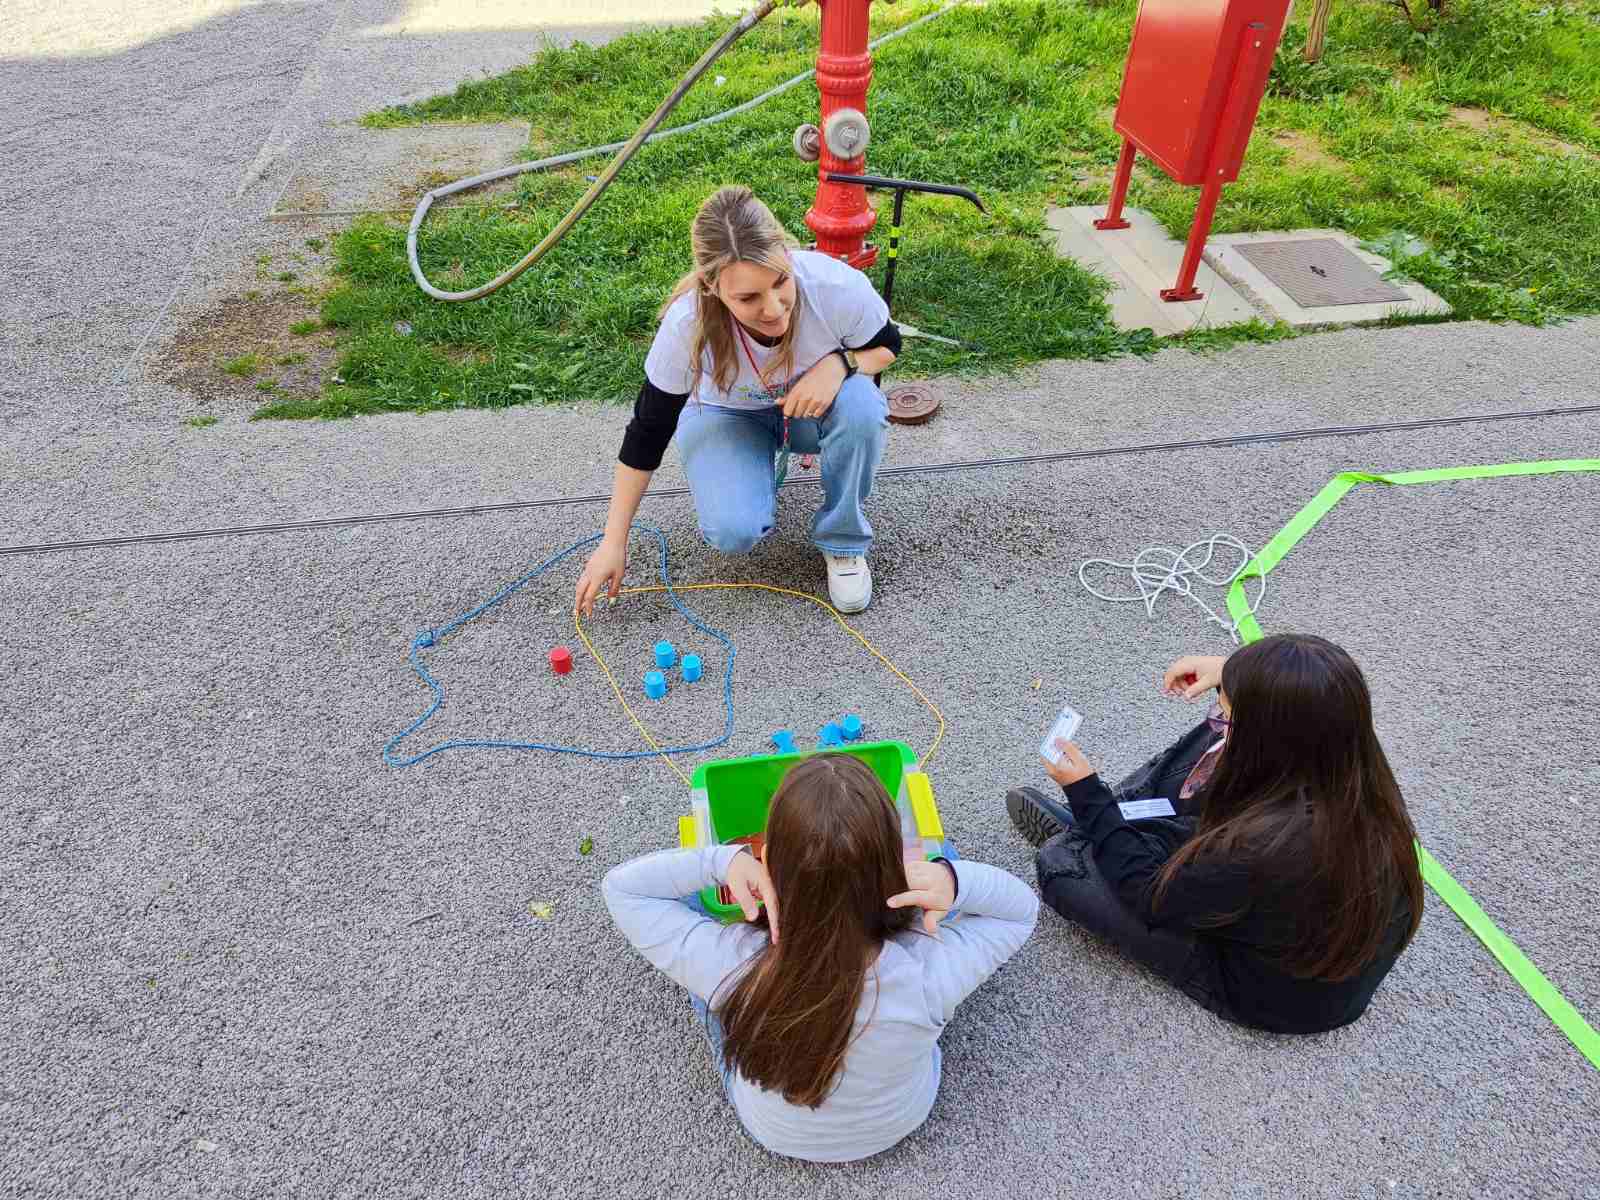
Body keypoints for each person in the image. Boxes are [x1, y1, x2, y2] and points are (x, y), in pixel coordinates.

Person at [602, 753, 1038, 1162]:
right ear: (896, 868)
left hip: (773, 1130)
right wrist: (952, 879)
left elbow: (623, 889)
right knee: (951, 860)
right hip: (899, 1120)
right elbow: (1019, 912)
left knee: (696, 929)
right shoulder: (928, 968)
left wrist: (723, 862)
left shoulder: (734, 962)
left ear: (767, 864)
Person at [1005, 633, 1424, 1034]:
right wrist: (1232, 673)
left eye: (1229, 713)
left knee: (1061, 866)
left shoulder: (1259, 849)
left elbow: (1149, 895)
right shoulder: (1350, 762)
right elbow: (1297, 702)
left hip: (1274, 994)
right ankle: (1113, 829)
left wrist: (1085, 793)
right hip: (1280, 908)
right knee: (1210, 739)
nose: (1221, 717)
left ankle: (1098, 831)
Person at [573, 185, 900, 618]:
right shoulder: (686, 324)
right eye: (748, 298)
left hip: (809, 410)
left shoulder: (835, 285)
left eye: (780, 281)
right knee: (734, 532)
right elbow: (647, 432)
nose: (774, 309)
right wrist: (613, 542)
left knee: (862, 407)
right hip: (727, 414)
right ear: (712, 287)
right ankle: (752, 465)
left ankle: (844, 543)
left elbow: (889, 344)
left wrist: (840, 364)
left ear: (787, 255)